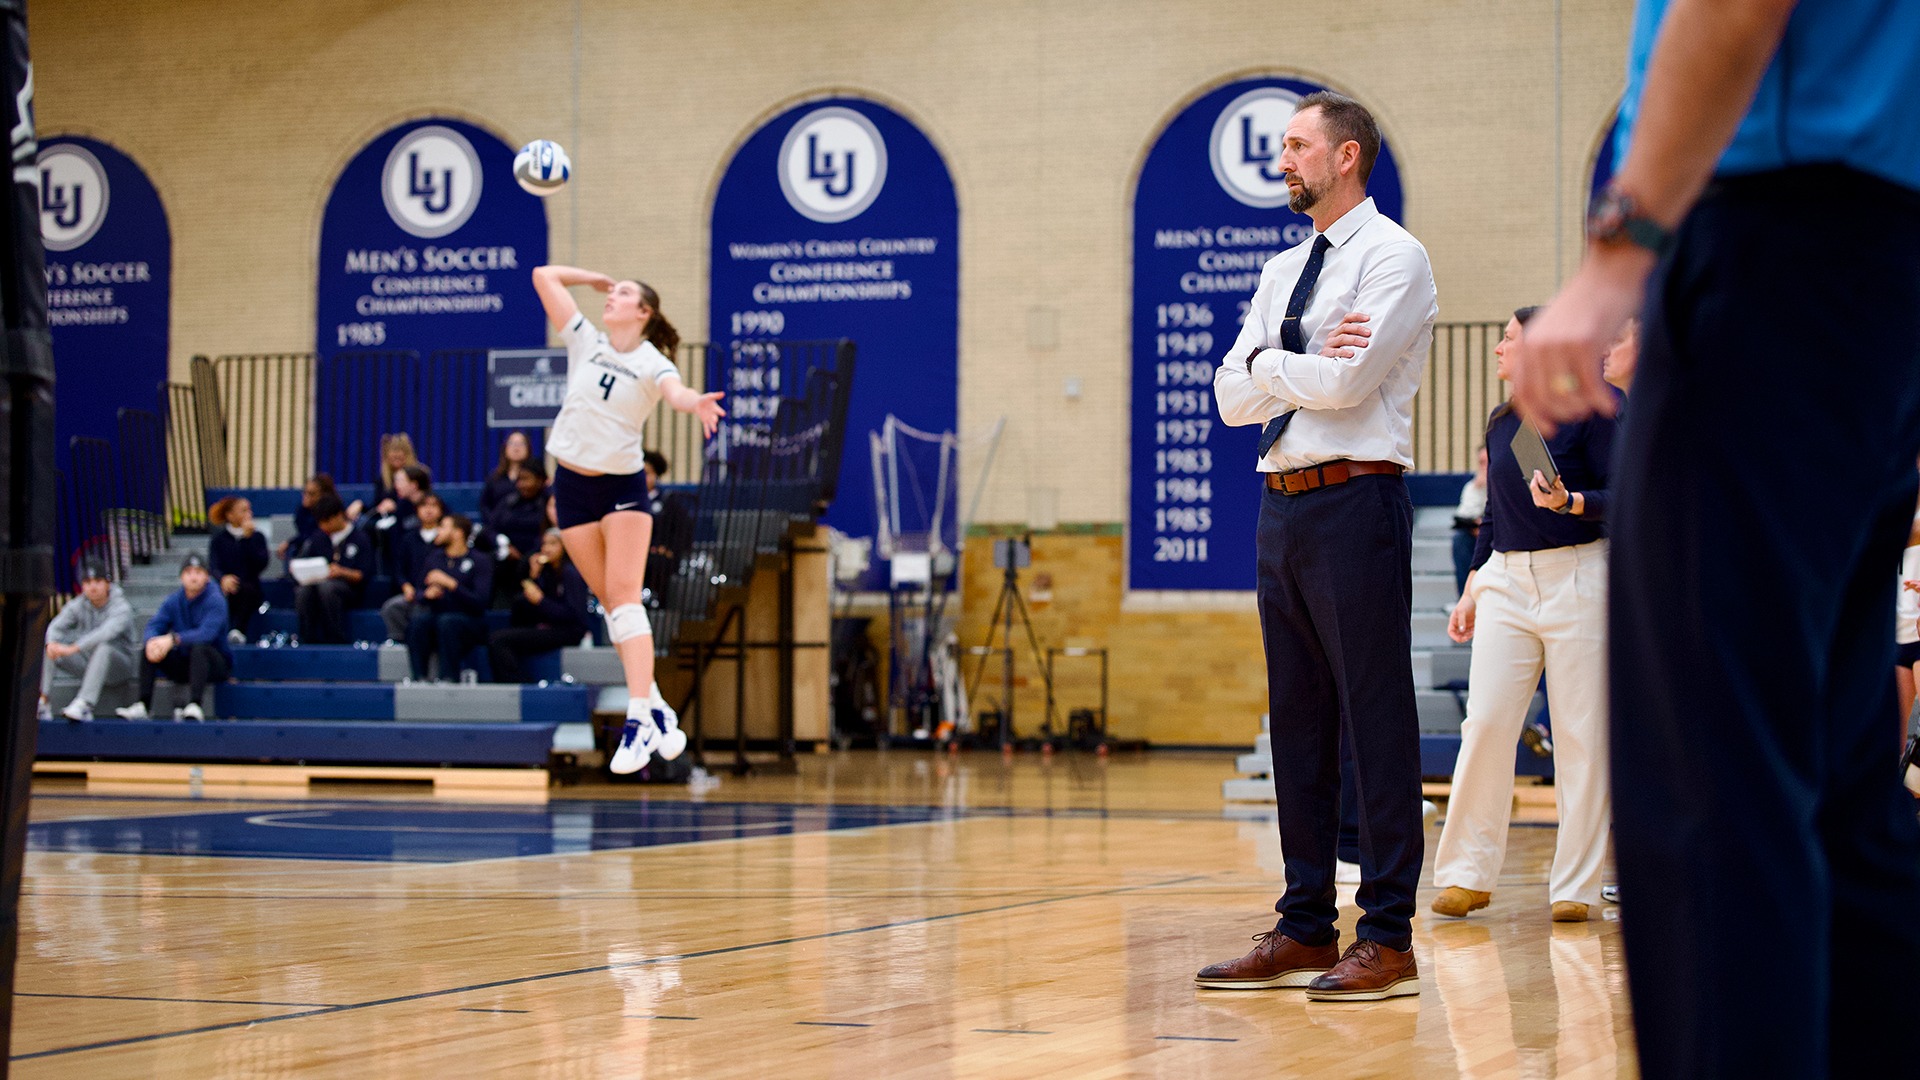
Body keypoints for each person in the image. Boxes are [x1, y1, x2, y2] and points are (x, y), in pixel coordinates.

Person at [1514, 2, 1920, 1072]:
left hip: (1774, 234)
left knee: (1711, 777)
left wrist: (1620, 251)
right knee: (1838, 784)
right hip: (1881, 260)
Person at [1197, 91, 1437, 1001]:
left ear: (1346, 157)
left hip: (1356, 502)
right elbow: (1227, 393)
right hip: (1281, 507)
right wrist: (1287, 358)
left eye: (1296, 145)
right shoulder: (1281, 267)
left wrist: (1273, 366)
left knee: (1373, 722)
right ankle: (1304, 927)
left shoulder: (1396, 257)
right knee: (1295, 720)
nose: (1282, 159)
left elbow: (1347, 385)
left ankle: (1388, 936)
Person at [1433, 306, 1618, 924]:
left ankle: (1576, 886)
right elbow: (1493, 515)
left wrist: (1574, 501)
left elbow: (1629, 496)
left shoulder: (1599, 409)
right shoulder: (1503, 422)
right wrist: (1473, 585)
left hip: (1581, 576)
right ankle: (1466, 874)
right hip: (1507, 582)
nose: (1497, 350)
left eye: (1508, 339)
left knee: (1580, 735)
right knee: (1484, 722)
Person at [532, 262, 725, 773]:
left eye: (621, 294)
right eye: (610, 293)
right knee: (612, 607)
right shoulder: (585, 340)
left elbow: (675, 392)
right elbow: (543, 276)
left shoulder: (650, 360)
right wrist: (592, 278)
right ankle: (658, 706)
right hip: (570, 486)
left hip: (620, 487)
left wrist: (694, 404)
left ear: (645, 312)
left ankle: (639, 718)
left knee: (623, 596)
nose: (610, 298)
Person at [116, 553, 230, 721]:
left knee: (200, 648)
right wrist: (152, 641)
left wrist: (173, 639)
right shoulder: (174, 600)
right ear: (181, 576)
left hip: (214, 664)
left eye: (198, 572)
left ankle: (195, 704)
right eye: (189, 572)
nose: (193, 577)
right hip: (184, 663)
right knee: (151, 645)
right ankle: (143, 704)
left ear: (207, 576)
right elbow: (154, 625)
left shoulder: (216, 599)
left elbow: (207, 634)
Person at [36, 561, 139, 722]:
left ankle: (84, 704)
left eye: (98, 582)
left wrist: (73, 648)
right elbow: (55, 626)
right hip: (88, 663)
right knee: (51, 647)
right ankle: (43, 700)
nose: (93, 587)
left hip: (119, 667)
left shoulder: (121, 607)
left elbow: (104, 633)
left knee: (104, 647)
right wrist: (51, 644)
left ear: (107, 584)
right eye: (88, 582)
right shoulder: (79, 604)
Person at [489, 528, 592, 683]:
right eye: (544, 544)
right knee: (501, 636)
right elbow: (525, 605)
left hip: (568, 630)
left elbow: (575, 616)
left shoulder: (571, 573)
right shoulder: (545, 571)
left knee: (499, 640)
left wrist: (541, 601)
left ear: (565, 547)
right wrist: (534, 576)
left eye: (553, 544)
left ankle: (520, 684)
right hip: (545, 626)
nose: (546, 549)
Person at [404, 512, 493, 682]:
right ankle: (419, 678)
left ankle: (449, 678)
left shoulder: (480, 560)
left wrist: (452, 585)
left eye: (443, 527)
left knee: (447, 622)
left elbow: (481, 603)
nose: (438, 531)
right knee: (418, 622)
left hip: (470, 620)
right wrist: (427, 595)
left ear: (458, 533)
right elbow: (420, 593)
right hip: (438, 616)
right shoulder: (434, 558)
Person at [291, 494, 374, 644]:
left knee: (328, 589)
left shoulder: (360, 538)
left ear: (338, 516)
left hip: (349, 590)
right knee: (303, 591)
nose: (323, 527)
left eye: (326, 521)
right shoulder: (318, 538)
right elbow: (306, 561)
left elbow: (364, 574)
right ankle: (308, 638)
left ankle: (336, 638)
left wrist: (341, 572)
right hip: (317, 585)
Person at [380, 490, 445, 645]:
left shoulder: (445, 538)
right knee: (391, 607)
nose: (428, 510)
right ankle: (400, 642)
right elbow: (399, 568)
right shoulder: (409, 538)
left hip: (439, 594)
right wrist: (406, 586)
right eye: (424, 506)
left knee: (421, 612)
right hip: (414, 593)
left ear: (441, 511)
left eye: (433, 506)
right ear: (417, 511)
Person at [482, 462, 549, 602]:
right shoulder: (508, 502)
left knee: (528, 563)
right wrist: (504, 545)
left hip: (536, 553)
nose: (521, 484)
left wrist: (534, 552)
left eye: (526, 479)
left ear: (540, 480)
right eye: (519, 480)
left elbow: (548, 532)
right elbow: (490, 529)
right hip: (508, 553)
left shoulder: (548, 503)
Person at [208, 495, 270, 643]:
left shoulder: (257, 537)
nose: (249, 514)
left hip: (250, 588)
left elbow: (261, 564)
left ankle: (238, 631)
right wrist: (223, 578)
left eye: (249, 510)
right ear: (230, 515)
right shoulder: (219, 539)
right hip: (226, 587)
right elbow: (214, 565)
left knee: (245, 590)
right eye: (243, 510)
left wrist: (247, 540)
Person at [641, 450, 692, 602]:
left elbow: (683, 531)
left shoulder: (668, 502)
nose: (642, 478)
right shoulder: (627, 503)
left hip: (659, 558)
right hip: (635, 555)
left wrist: (669, 549)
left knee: (658, 565)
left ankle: (658, 603)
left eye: (646, 473)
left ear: (656, 474)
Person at [348, 433, 420, 521]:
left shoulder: (419, 476)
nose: (396, 454)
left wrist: (396, 506)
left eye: (400, 450)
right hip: (386, 521)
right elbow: (376, 509)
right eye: (392, 451)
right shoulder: (382, 480)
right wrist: (361, 505)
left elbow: (422, 503)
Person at [278, 473, 339, 572]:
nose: (306, 497)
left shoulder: (332, 512)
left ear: (323, 495)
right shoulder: (302, 510)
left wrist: (291, 541)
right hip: (307, 545)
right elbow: (304, 533)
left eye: (312, 494)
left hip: (327, 548)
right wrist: (289, 542)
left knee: (309, 545)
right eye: (305, 492)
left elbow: (315, 534)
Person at [1450, 445, 1488, 596]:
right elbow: (1464, 514)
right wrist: (1479, 488)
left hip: (1497, 537)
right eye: (1481, 463)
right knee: (1460, 540)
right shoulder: (1472, 487)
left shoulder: (1505, 485)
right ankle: (1464, 597)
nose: (1484, 467)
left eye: (1488, 462)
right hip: (1475, 536)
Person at [482, 430, 535, 521]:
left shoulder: (537, 478)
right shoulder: (495, 478)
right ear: (505, 448)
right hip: (500, 528)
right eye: (512, 443)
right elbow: (485, 506)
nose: (516, 448)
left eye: (521, 444)